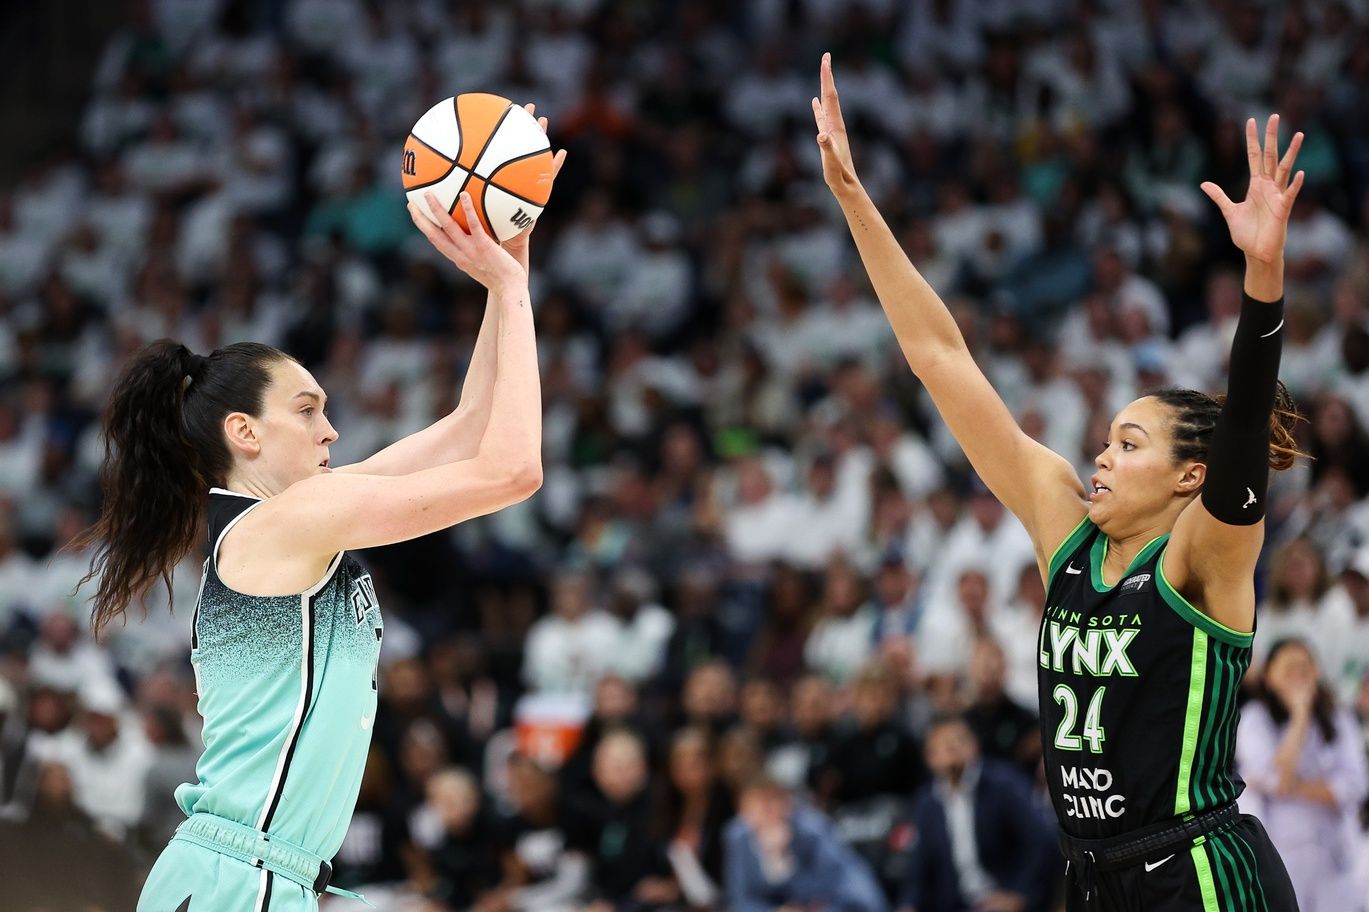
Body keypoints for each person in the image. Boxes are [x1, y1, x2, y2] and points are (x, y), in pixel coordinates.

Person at [815, 54, 1303, 909]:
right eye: (1106, 440)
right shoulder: (1063, 530)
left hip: (1196, 869)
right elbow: (939, 359)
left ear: (1189, 475)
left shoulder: (1203, 558)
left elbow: (1239, 450)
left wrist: (1261, 284)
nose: (1101, 458)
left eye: (1128, 443)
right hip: (1086, 874)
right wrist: (855, 200)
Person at [73, 112, 565, 911]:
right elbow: (514, 470)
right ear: (245, 433)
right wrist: (508, 291)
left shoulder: (295, 519)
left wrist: (511, 258)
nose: (330, 429)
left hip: (272, 878)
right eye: (306, 410)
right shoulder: (280, 527)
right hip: (239, 879)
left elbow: (476, 423)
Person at [1236, 638, 1368, 912]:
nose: (1298, 676)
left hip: (1335, 854)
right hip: (1282, 853)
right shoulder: (1254, 719)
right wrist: (1299, 717)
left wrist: (1291, 785)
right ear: (1269, 676)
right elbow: (1274, 778)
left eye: (1305, 668)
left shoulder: (1339, 718)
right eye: (1289, 669)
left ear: (1317, 673)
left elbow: (1355, 785)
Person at [898, 715, 1054, 912]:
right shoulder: (927, 802)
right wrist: (908, 905)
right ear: (929, 757)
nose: (950, 751)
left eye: (956, 742)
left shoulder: (1004, 784)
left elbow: (1041, 841)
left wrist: (1019, 893)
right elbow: (920, 867)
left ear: (974, 745)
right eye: (941, 746)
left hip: (1002, 897)